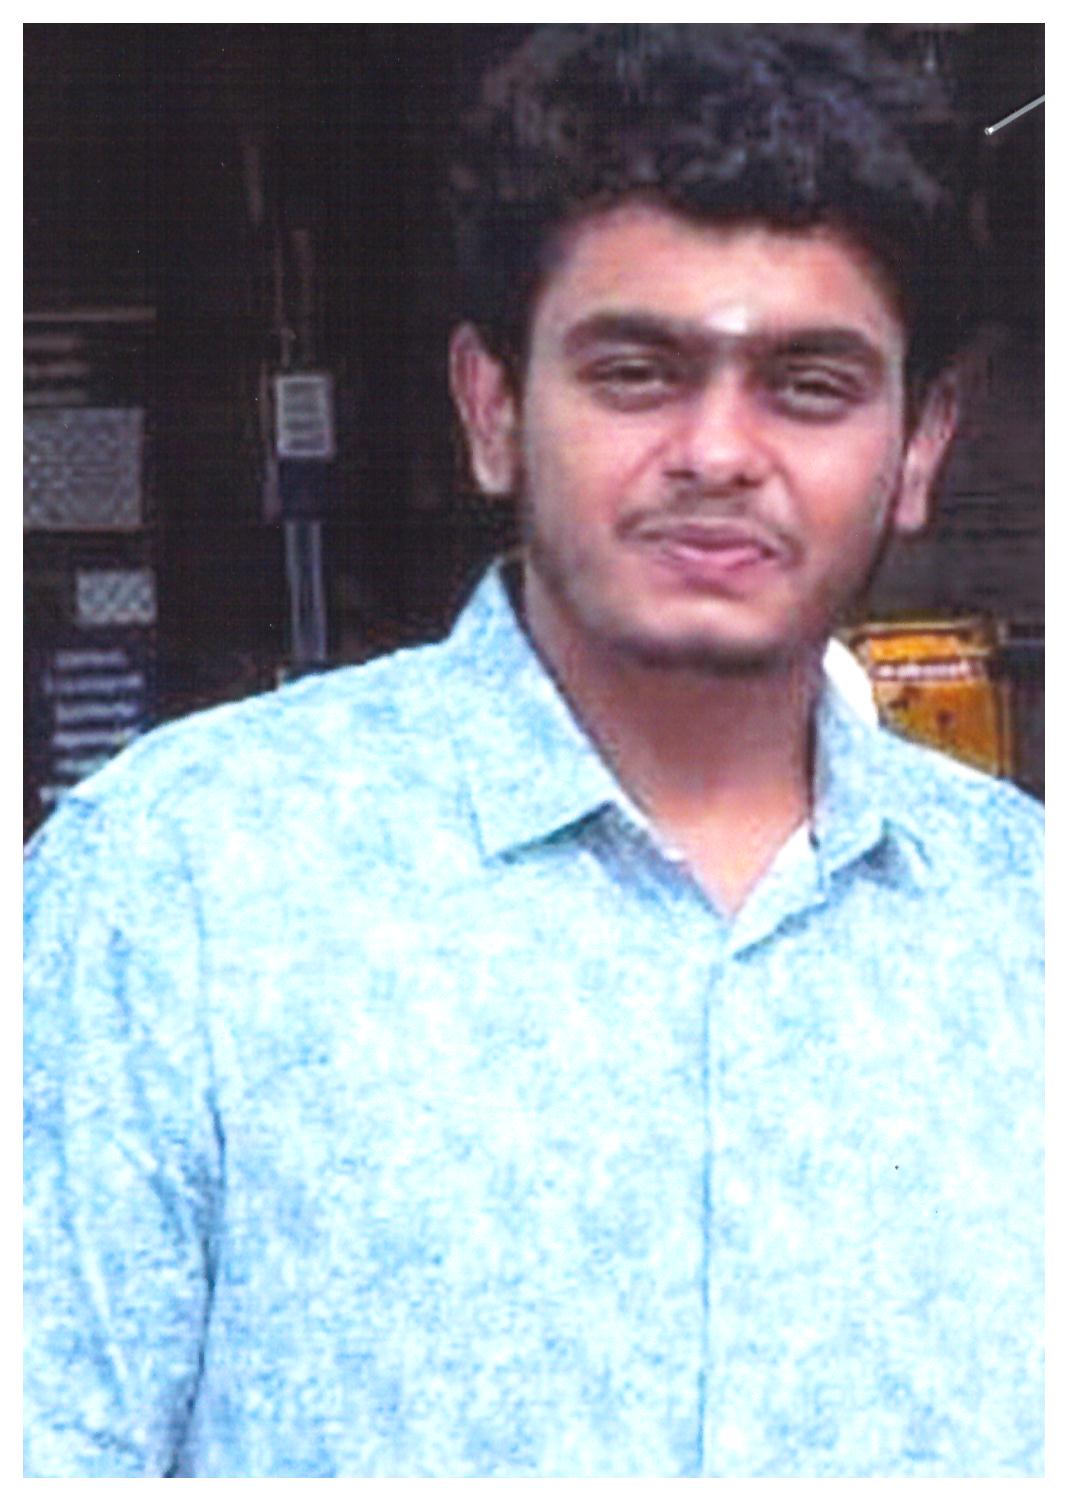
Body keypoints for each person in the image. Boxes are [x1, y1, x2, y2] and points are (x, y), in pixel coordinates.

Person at [24, 24, 1042, 1478]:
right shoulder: (181, 887)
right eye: (636, 372)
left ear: (922, 445)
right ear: (493, 408)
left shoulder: (1024, 929)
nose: (718, 451)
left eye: (809, 385)